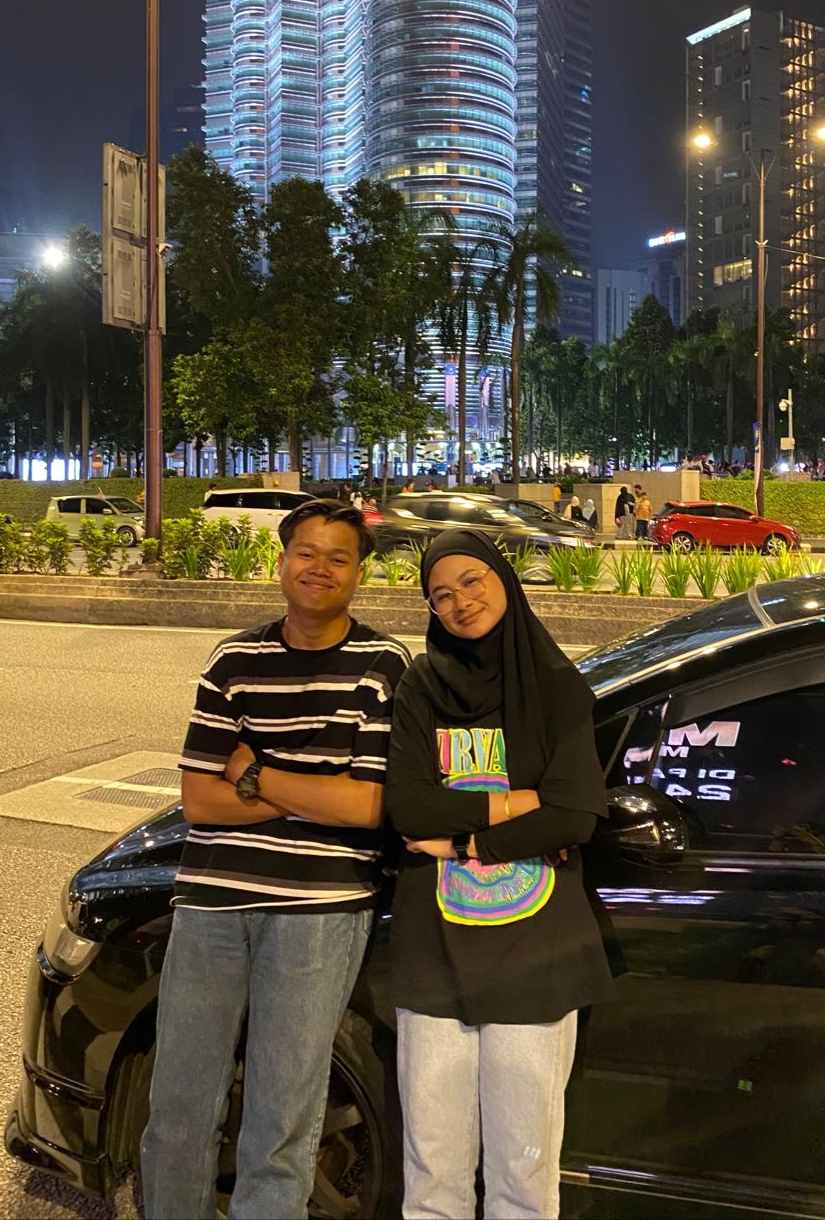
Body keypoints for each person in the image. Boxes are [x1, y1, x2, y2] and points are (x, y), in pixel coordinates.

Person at [140, 499, 411, 1220]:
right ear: (282, 560)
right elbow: (199, 800)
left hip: (318, 909)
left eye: (338, 557)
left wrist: (255, 774)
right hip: (210, 903)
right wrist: (313, 791)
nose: (320, 568)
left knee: (282, 1120)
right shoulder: (234, 659)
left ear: (359, 573)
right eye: (306, 553)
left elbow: (367, 806)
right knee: (177, 1108)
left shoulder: (383, 665)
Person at [385, 530, 614, 1220]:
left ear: (504, 579)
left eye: (472, 580)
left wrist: (460, 843)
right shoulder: (420, 685)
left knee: (524, 1172)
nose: (460, 601)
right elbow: (408, 807)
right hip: (434, 953)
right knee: (432, 1173)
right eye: (441, 594)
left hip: (535, 957)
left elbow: (574, 816)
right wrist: (520, 804)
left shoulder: (556, 688)